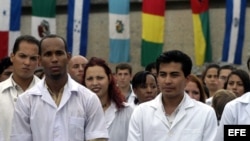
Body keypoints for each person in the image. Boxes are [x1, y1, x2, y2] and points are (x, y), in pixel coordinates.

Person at [10, 35, 108, 141]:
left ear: (68, 57)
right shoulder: (26, 101)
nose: (54, 59)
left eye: (59, 53)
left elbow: (97, 137)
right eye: (48, 54)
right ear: (39, 60)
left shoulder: (88, 98)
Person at [127, 50, 217, 141]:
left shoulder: (205, 113)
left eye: (174, 75)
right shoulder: (141, 112)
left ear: (187, 79)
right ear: (157, 78)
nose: (167, 81)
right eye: (163, 75)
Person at [0, 35, 41, 141]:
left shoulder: (49, 93)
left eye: (33, 58)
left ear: (38, 61)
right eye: (22, 56)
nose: (27, 63)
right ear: (12, 57)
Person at [82, 57, 133, 141]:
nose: (95, 83)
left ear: (109, 78)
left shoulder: (127, 112)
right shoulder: (78, 111)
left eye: (100, 78)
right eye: (90, 79)